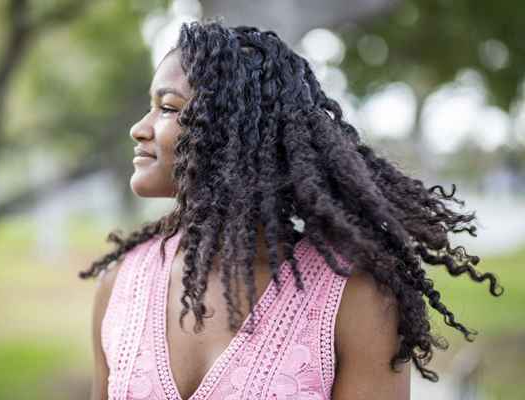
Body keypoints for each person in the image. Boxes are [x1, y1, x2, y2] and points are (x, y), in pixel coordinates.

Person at [79, 19, 503, 400]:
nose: (140, 128)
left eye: (168, 108)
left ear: (233, 133)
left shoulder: (353, 299)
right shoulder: (120, 284)